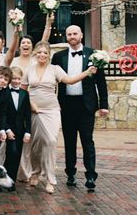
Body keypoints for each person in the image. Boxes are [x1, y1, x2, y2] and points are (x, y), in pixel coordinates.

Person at [21, 41, 96, 194]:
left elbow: (70, 80)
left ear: (49, 55)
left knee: (50, 141)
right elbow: (23, 91)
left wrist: (87, 72)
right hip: (34, 111)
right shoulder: (29, 69)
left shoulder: (55, 69)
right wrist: (30, 104)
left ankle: (50, 179)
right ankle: (35, 173)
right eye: (39, 52)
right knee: (35, 144)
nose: (42, 55)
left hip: (52, 111)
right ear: (35, 54)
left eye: (45, 52)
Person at [52, 25, 109, 191]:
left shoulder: (93, 55)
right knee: (69, 142)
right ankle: (70, 173)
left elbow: (101, 82)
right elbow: (53, 81)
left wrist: (103, 105)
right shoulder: (58, 57)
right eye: (69, 34)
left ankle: (91, 175)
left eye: (75, 33)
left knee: (87, 141)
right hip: (67, 105)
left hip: (86, 105)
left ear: (81, 35)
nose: (72, 36)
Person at [13, 14, 53, 181]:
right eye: (23, 43)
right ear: (20, 46)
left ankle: (30, 170)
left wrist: (48, 24)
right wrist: (17, 28)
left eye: (29, 43)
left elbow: (44, 42)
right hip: (16, 103)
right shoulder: (13, 60)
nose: (26, 45)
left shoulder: (36, 60)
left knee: (32, 138)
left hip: (33, 102)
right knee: (17, 135)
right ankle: (17, 170)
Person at [3, 66, 31, 191]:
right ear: (9, 79)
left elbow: (27, 115)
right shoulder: (5, 93)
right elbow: (2, 113)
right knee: (10, 153)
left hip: (20, 130)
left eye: (18, 79)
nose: (16, 81)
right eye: (13, 78)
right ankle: (4, 178)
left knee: (17, 155)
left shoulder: (25, 94)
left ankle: (11, 181)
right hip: (8, 129)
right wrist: (6, 129)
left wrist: (28, 131)